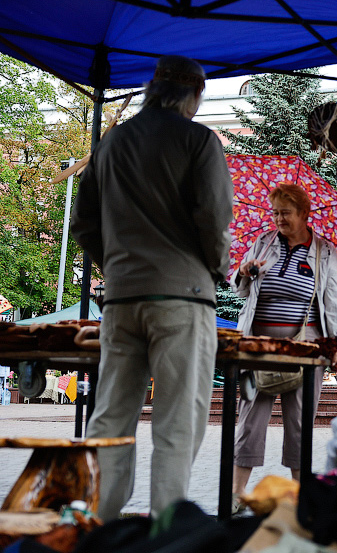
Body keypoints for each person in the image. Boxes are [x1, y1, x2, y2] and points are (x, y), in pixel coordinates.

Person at [70, 55, 233, 521]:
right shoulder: (198, 140)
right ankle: (166, 532)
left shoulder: (112, 142)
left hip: (120, 299)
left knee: (111, 416)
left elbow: (84, 223)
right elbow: (214, 218)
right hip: (182, 299)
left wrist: (119, 265)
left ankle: (98, 523)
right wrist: (215, 269)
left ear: (151, 89)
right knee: (177, 421)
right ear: (194, 96)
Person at [230, 182, 337, 510]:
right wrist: (245, 273)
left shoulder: (324, 252)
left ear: (304, 214)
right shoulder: (263, 243)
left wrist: (336, 347)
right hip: (259, 349)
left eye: (285, 213)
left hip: (305, 351)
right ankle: (236, 494)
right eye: (275, 212)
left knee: (299, 425)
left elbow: (333, 302)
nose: (278, 219)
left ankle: (301, 498)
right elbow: (240, 289)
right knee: (249, 420)